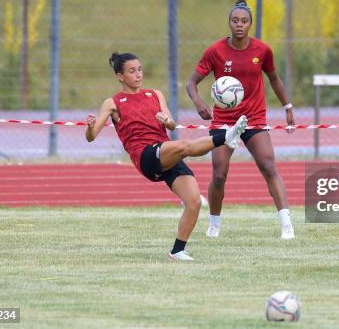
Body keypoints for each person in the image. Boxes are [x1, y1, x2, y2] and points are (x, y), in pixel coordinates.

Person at [86, 52, 248, 261]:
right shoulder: (113, 102)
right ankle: (225, 136)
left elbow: (171, 124)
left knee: (194, 202)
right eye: (132, 71)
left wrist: (166, 120)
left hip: (164, 150)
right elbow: (91, 136)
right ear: (120, 76)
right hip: (144, 155)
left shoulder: (155, 94)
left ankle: (177, 251)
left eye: (140, 69)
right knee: (184, 146)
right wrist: (90, 127)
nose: (138, 74)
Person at [186, 0, 296, 240]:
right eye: (235, 21)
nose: (239, 25)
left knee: (268, 166)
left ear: (250, 24)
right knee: (219, 174)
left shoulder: (262, 51)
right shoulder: (215, 51)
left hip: (253, 119)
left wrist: (287, 106)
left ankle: (287, 225)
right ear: (229, 23)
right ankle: (214, 224)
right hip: (224, 122)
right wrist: (199, 102)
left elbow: (274, 79)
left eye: (244, 21)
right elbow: (191, 82)